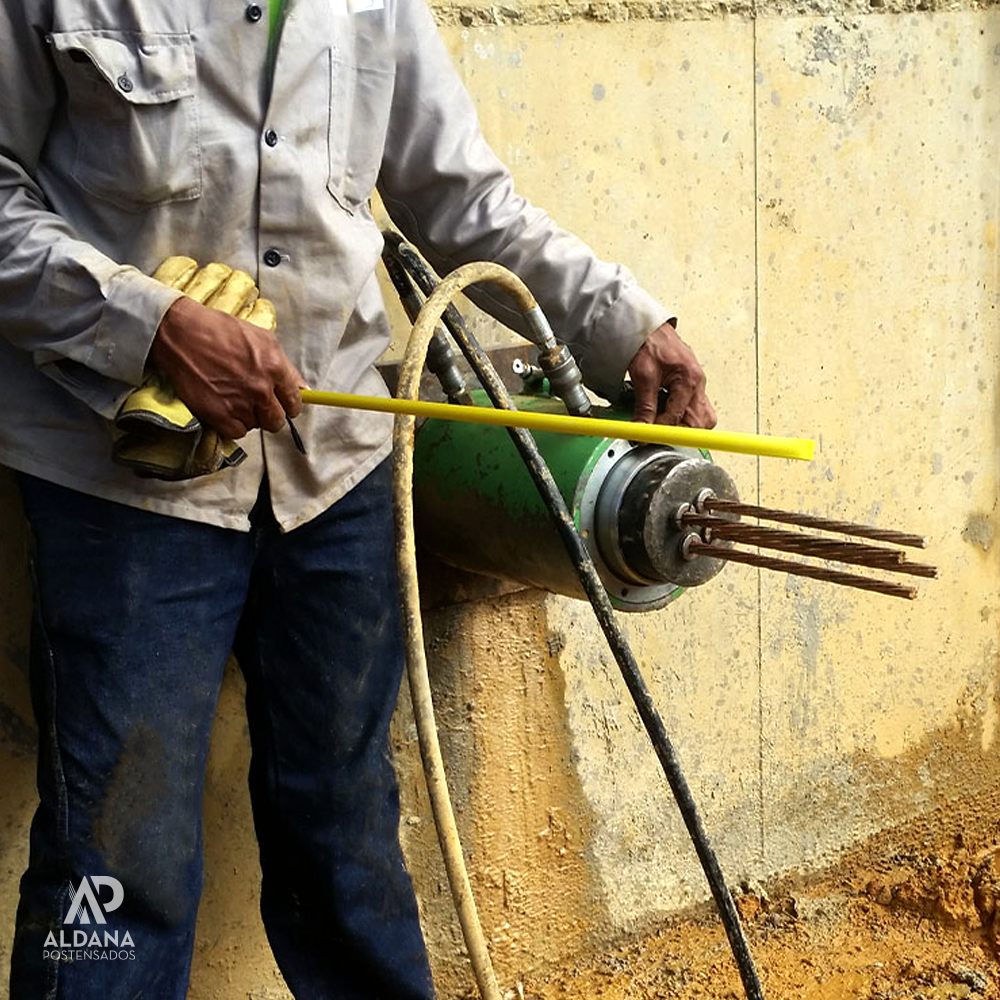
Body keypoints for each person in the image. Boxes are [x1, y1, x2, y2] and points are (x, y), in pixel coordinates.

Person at [0, 0, 717, 997]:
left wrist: (624, 326)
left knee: (344, 828)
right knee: (118, 856)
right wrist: (150, 324)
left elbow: (463, 198)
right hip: (123, 489)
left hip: (331, 475)